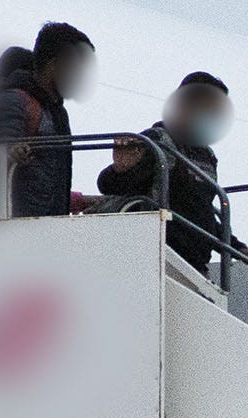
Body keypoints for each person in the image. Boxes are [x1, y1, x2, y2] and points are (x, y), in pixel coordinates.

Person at [93, 70, 233, 274]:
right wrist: (121, 169)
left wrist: (240, 250)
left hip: (194, 265)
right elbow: (109, 184)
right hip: (156, 257)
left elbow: (203, 213)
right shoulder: (158, 141)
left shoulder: (206, 155)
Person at [0, 21, 92, 219]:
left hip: (44, 230)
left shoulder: (57, 112)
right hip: (16, 231)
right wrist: (11, 151)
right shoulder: (15, 101)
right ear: (55, 65)